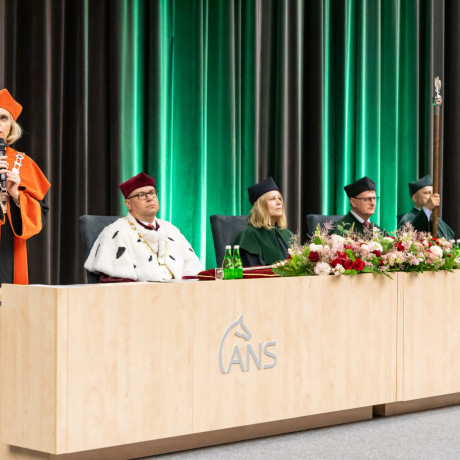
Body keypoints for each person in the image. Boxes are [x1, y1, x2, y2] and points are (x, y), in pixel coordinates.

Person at [84, 172, 203, 282]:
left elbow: (194, 274)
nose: (150, 198)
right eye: (141, 195)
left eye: (152, 193)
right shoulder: (116, 232)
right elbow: (116, 283)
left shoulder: (172, 230)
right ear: (128, 204)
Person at [0, 88, 50, 285]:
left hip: (8, 251)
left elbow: (41, 213)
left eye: (3, 118)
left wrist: (16, 196)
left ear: (11, 126)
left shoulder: (24, 163)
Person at [234, 177, 293, 266]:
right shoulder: (250, 235)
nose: (279, 202)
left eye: (280, 198)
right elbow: (254, 270)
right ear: (260, 206)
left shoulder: (288, 234)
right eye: (272, 199)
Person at [398, 175, 455, 240]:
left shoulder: (438, 220)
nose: (432, 196)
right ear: (415, 197)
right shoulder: (407, 218)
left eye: (433, 193)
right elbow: (410, 236)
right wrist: (427, 208)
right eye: (427, 193)